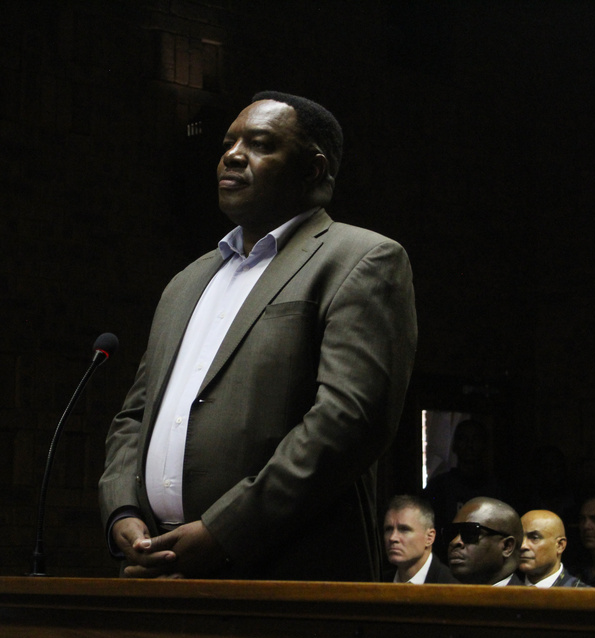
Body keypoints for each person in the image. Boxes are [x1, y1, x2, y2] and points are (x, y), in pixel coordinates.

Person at [98, 91, 418, 580]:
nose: (232, 154)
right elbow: (135, 415)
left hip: (285, 571)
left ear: (312, 170)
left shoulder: (360, 259)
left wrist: (225, 531)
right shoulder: (188, 281)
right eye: (229, 143)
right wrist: (122, 511)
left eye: (260, 144)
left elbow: (348, 423)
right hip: (159, 570)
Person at [424, 420, 501, 556]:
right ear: (454, 445)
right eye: (463, 439)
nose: (469, 445)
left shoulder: (497, 487)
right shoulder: (439, 486)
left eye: (475, 439)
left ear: (484, 445)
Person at [445, 497, 524, 586]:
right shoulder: (441, 598)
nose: (454, 542)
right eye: (452, 533)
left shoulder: (528, 599)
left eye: (470, 533)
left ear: (507, 546)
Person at [382, 495, 457, 584]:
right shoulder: (377, 583)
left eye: (404, 529)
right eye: (388, 529)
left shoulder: (451, 588)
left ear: (429, 537)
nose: (392, 538)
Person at [519, 509, 583, 587]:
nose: (522, 545)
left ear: (560, 545)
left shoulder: (584, 596)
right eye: (520, 538)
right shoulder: (506, 591)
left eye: (534, 538)